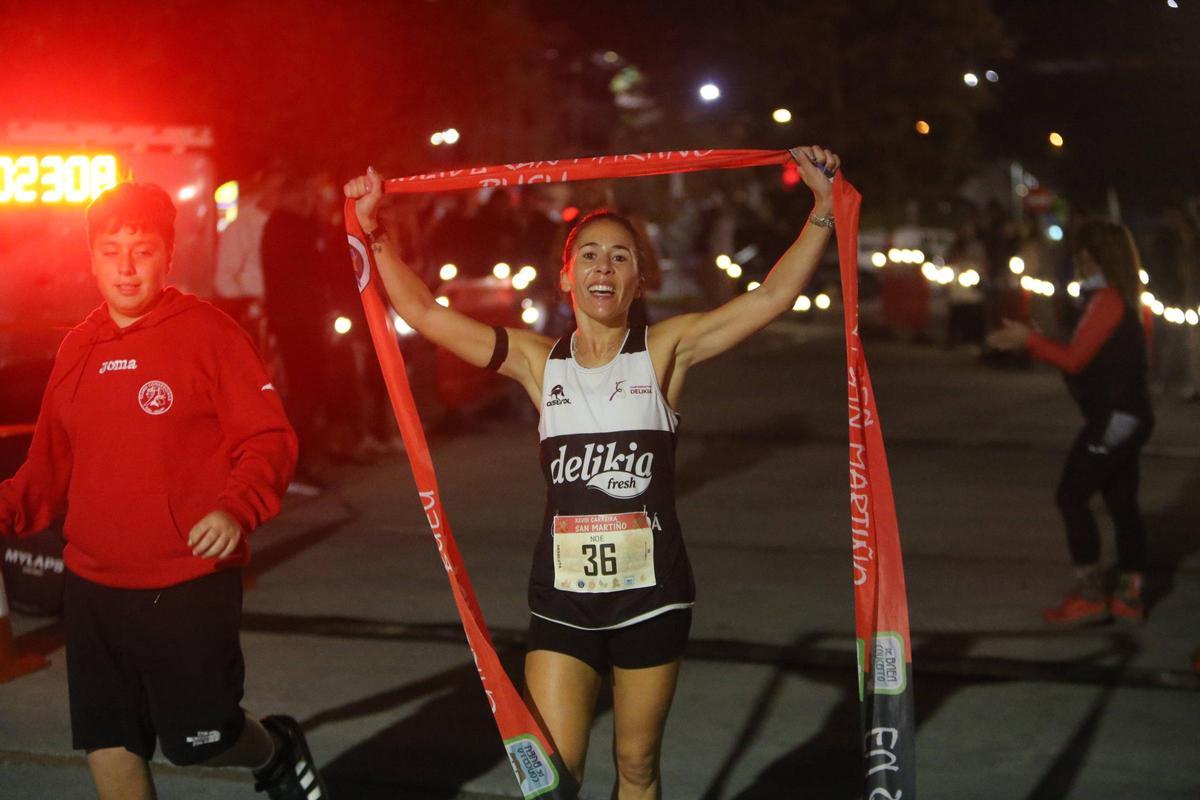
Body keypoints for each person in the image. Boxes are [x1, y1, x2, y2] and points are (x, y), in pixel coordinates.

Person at [344, 145, 840, 798]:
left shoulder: (666, 351)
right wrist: (373, 233)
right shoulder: (535, 361)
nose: (604, 265)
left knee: (636, 767)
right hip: (563, 599)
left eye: (621, 256)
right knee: (553, 776)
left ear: (639, 281)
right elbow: (428, 315)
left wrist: (823, 212)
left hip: (652, 596)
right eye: (590, 254)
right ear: (566, 277)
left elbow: (772, 297)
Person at [0, 183, 328, 800]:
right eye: (111, 250)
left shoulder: (208, 334)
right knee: (110, 739)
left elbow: (268, 439)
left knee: (200, 738)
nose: (126, 267)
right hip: (93, 585)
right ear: (91, 258)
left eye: (143, 250)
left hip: (188, 579)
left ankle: (275, 751)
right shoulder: (77, 349)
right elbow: (41, 475)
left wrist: (237, 507)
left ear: (168, 257)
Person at [988, 220, 1154, 625]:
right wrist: (1039, 337)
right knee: (1121, 502)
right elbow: (1087, 356)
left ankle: (1093, 593)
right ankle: (1130, 595)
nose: (1077, 264)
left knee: (1071, 495)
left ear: (1098, 257)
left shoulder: (1108, 299)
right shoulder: (1118, 298)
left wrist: (1028, 341)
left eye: (1082, 256)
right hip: (1127, 416)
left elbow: (1074, 360)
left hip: (1116, 419)